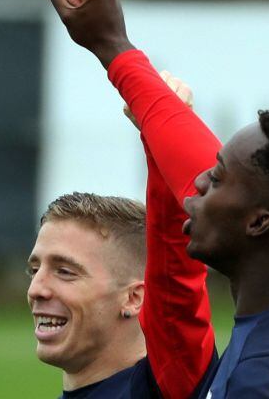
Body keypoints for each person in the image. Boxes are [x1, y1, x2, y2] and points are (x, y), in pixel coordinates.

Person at [50, 0, 269, 398]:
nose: (197, 183)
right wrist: (114, 49)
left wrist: (115, 47)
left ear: (259, 223)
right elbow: (198, 165)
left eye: (219, 177)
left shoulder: (266, 380)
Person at [27, 74, 216, 399]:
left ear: (135, 298)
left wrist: (164, 127)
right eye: (35, 269)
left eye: (65, 272)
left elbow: (174, 249)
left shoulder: (164, 388)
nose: (36, 289)